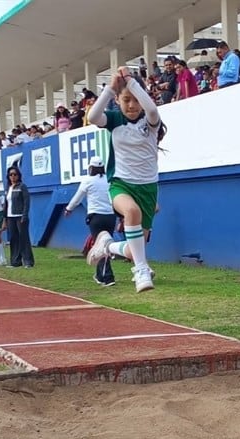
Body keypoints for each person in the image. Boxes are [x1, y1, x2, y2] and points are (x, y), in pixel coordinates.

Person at [86, 66, 163, 292]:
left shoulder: (150, 122)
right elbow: (92, 117)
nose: (131, 105)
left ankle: (108, 245)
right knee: (131, 212)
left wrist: (130, 82)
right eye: (126, 100)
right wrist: (111, 89)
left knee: (133, 249)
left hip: (148, 188)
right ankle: (141, 271)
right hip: (120, 183)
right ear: (118, 101)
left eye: (135, 100)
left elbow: (151, 108)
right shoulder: (113, 119)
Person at [64, 156, 116, 287]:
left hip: (96, 217)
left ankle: (107, 277)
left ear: (90, 167)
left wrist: (69, 209)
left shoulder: (88, 180)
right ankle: (100, 275)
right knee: (105, 245)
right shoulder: (109, 179)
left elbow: (77, 197)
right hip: (110, 216)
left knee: (101, 247)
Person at [4, 166, 34, 268]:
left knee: (24, 239)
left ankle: (28, 261)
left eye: (15, 174)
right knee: (13, 239)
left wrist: (24, 216)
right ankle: (15, 262)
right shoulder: (8, 188)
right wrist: (5, 218)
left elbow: (26, 202)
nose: (12, 176)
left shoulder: (22, 186)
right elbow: (6, 204)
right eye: (10, 174)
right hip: (10, 217)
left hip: (20, 216)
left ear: (18, 176)